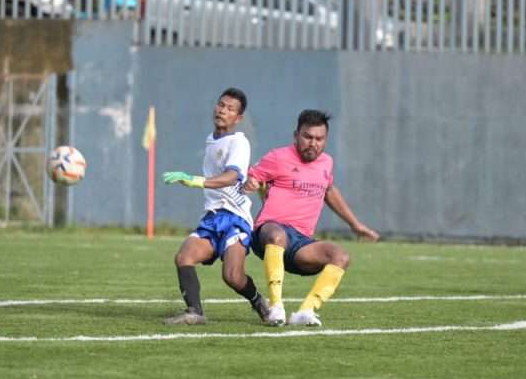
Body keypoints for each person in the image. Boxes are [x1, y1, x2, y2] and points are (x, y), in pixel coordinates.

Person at [244, 109, 379, 327]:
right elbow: (252, 177)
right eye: (307, 137)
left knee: (340, 256)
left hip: (300, 243)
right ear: (296, 135)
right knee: (276, 234)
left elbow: (330, 191)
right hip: (269, 232)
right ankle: (275, 307)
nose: (313, 143)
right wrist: (251, 183)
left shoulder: (326, 163)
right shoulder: (278, 157)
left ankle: (305, 312)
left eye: (319, 139)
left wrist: (356, 225)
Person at [161, 88, 272, 326]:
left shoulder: (239, 142)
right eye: (221, 105)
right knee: (183, 257)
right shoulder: (212, 140)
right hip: (212, 218)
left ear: (238, 118)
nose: (223, 110)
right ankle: (194, 312)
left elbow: (232, 176)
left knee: (232, 277)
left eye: (230, 109)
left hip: (235, 218)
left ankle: (258, 300)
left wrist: (195, 180)